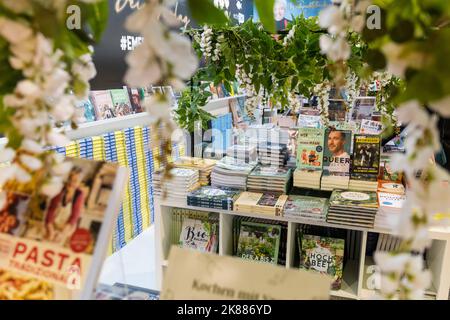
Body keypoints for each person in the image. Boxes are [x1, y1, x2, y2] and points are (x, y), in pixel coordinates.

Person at [44, 167, 85, 246]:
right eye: (70, 179)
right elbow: (51, 210)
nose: (71, 183)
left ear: (79, 182)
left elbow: (74, 216)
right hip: (53, 225)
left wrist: (62, 234)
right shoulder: (60, 190)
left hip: (67, 228)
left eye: (75, 181)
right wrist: (51, 229)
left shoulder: (79, 194)